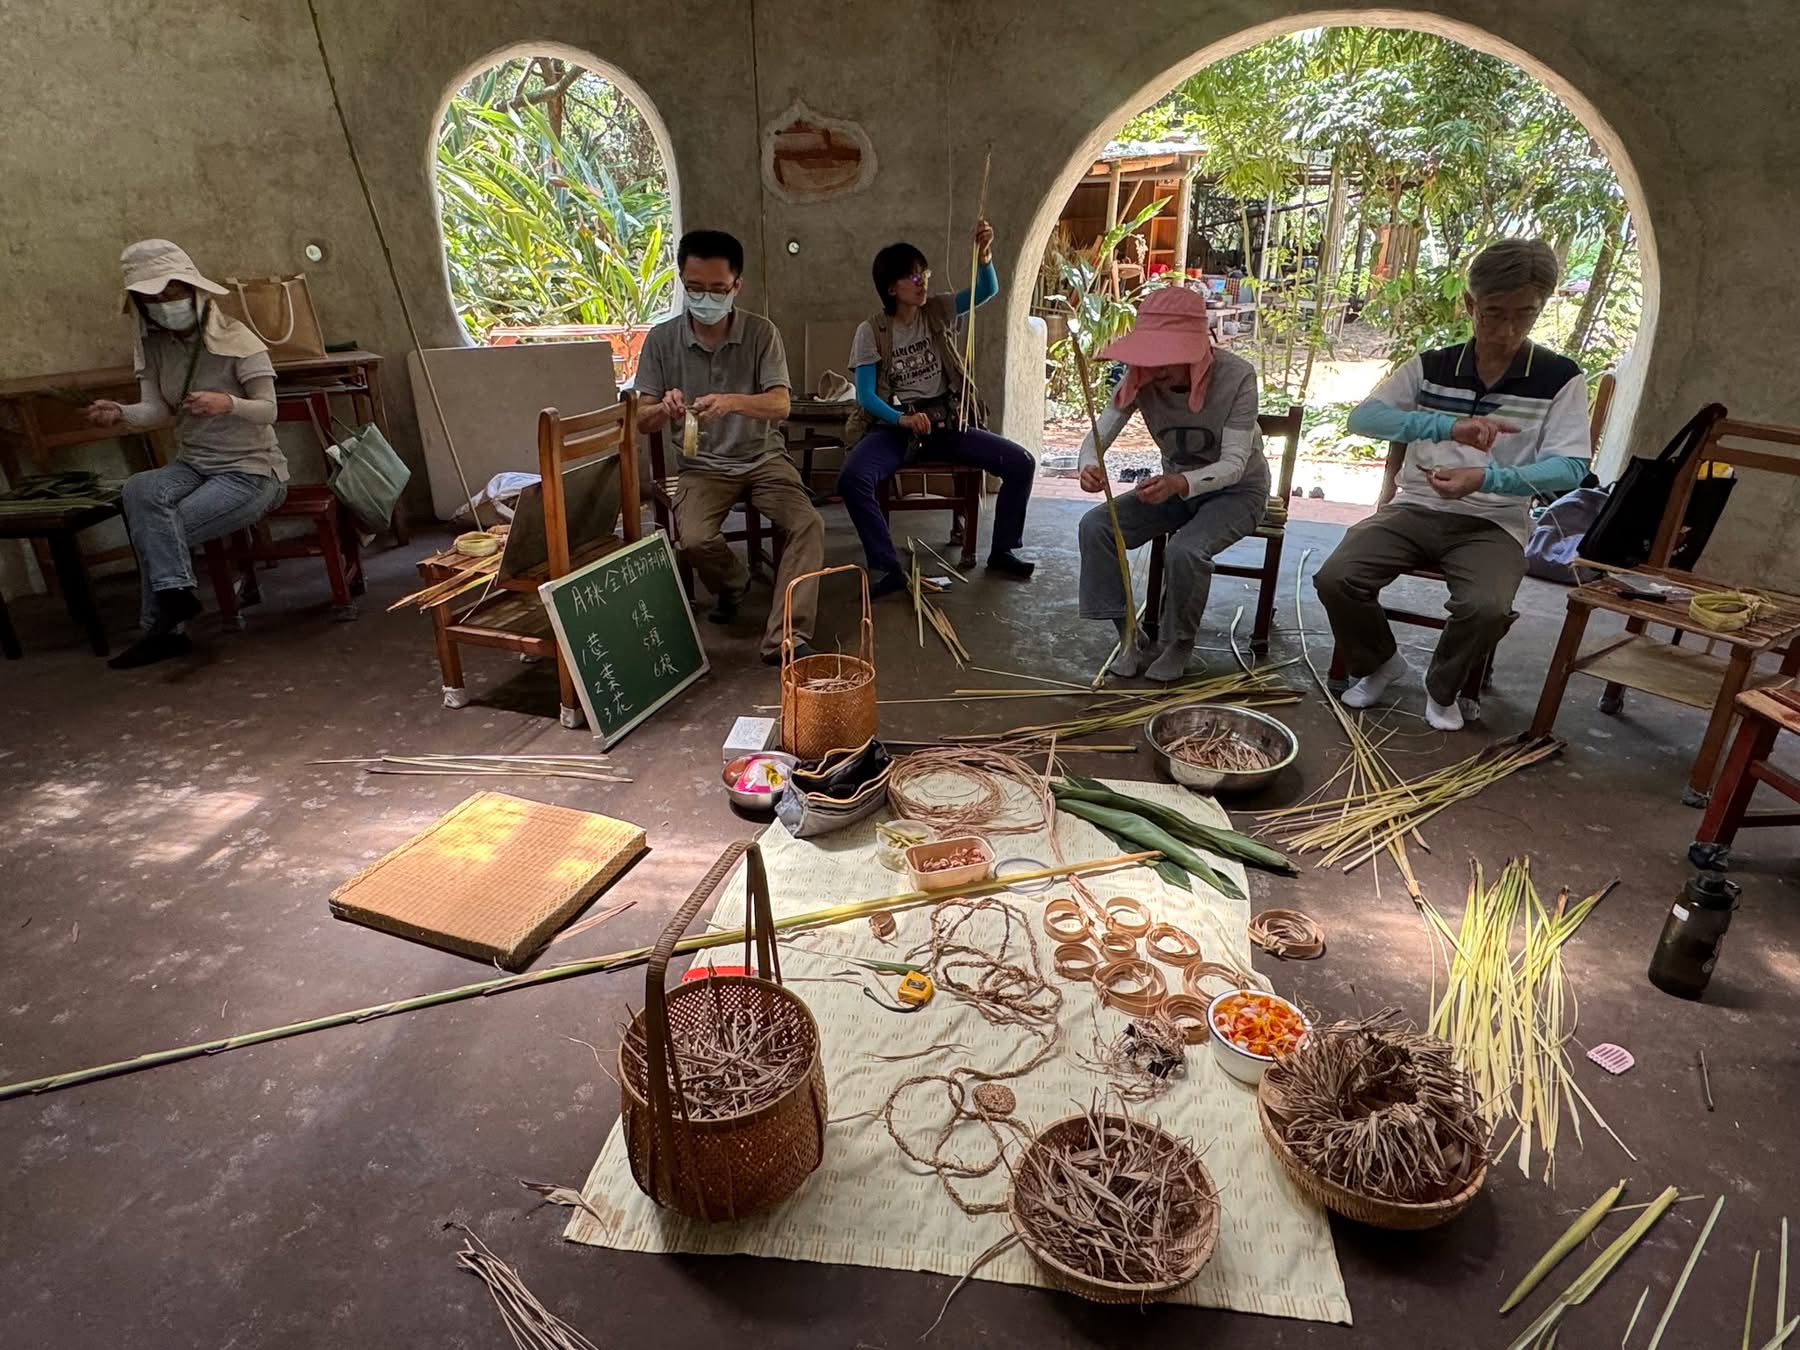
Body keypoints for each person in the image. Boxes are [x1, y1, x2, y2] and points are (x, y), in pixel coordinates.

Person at [1313, 238, 1591, 731]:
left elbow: (1571, 467)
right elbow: (1363, 418)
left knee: (1486, 607)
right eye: (1493, 313)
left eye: (1524, 315)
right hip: (1415, 508)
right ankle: (1380, 663)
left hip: (1494, 521)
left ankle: (1443, 688)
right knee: (1336, 577)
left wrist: (1488, 478)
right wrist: (1447, 426)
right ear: (1469, 304)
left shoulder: (1559, 378)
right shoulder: (1432, 366)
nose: (1507, 331)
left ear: (1542, 307)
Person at [85, 239, 288, 670]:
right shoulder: (154, 347)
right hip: (194, 464)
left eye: (172, 291)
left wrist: (228, 403)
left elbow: (270, 410)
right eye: (152, 297)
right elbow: (158, 410)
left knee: (158, 529)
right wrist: (120, 413)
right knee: (140, 489)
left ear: (193, 289)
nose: (164, 303)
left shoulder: (239, 339)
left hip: (250, 471)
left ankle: (163, 630)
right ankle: (176, 599)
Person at [634, 229, 824, 665]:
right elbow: (641, 420)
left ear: (737, 286)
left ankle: (787, 637)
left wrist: (732, 402)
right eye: (695, 288)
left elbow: (781, 405)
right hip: (702, 466)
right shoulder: (662, 341)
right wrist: (664, 407)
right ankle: (735, 583)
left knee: (808, 524)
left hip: (763, 458)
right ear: (682, 282)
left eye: (718, 289)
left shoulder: (761, 333)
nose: (706, 298)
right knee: (694, 539)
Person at [1075, 286, 1268, 683]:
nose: (1158, 369)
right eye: (1152, 356)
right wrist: (1089, 465)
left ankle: (1179, 642)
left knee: (1185, 549)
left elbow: (1234, 464)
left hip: (1237, 492)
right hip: (1173, 486)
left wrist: (1179, 482)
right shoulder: (1140, 377)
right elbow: (1098, 435)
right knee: (1096, 526)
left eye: (1168, 357)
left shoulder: (1237, 377)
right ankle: (1129, 633)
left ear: (1196, 351)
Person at [839, 222, 1036, 596]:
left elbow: (987, 291)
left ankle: (1002, 551)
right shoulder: (873, 331)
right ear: (891, 288)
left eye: (925, 275)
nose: (922, 283)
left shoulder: (938, 310)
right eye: (914, 277)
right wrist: (902, 419)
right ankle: (887, 567)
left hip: (945, 423)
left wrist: (984, 256)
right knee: (853, 477)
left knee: (1020, 463)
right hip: (895, 428)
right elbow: (865, 395)